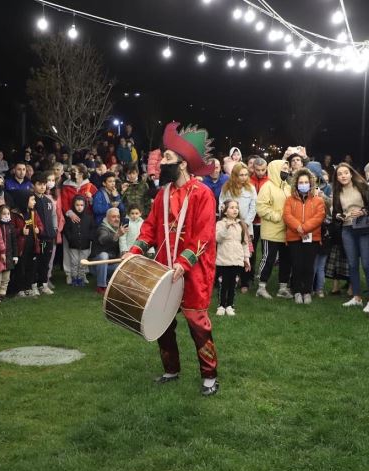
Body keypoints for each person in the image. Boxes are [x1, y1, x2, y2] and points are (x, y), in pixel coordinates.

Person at [125, 122, 219, 397]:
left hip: (194, 271)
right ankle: (171, 370)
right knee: (163, 322)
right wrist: (135, 251)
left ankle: (210, 376)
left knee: (198, 325)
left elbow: (204, 235)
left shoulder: (202, 194)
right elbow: (150, 229)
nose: (161, 162)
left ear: (183, 163)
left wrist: (184, 261)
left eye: (167, 157)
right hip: (165, 269)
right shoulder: (161, 195)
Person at [332, 163, 369, 313]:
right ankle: (356, 297)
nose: (343, 176)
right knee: (352, 264)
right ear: (337, 177)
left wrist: (363, 211)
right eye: (340, 174)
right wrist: (337, 215)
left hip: (364, 227)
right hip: (347, 229)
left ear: (351, 174)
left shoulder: (362, 186)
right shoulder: (337, 191)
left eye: (345, 173)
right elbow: (335, 212)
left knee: (368, 264)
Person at [283, 169, 325, 305]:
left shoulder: (318, 200)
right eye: (301, 182)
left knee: (308, 265)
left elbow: (319, 217)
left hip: (312, 237)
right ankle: (296, 291)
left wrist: (304, 227)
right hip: (294, 237)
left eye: (306, 182)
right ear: (296, 184)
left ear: (311, 183)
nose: (303, 184)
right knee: (296, 265)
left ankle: (307, 291)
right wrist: (298, 227)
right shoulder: (289, 200)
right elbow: (287, 215)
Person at [255, 160, 293, 300]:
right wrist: (277, 216)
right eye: (283, 168)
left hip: (287, 231)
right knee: (268, 258)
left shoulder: (287, 187)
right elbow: (261, 207)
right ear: (276, 169)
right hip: (271, 231)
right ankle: (261, 287)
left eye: (287, 169)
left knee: (286, 259)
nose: (286, 171)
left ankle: (283, 288)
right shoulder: (267, 187)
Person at [219, 162, 257, 292]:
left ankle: (245, 282)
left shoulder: (251, 188)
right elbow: (221, 205)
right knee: (231, 252)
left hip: (246, 226)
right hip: (231, 226)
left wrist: (246, 223)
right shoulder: (227, 188)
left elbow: (254, 207)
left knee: (246, 252)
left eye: (246, 175)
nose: (244, 177)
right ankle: (230, 279)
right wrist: (229, 220)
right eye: (241, 175)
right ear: (235, 175)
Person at [215, 200, 251, 316]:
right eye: (231, 207)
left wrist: (246, 259)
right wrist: (226, 227)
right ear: (225, 211)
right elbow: (218, 239)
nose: (235, 210)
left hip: (237, 260)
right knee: (223, 284)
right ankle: (221, 305)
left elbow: (245, 243)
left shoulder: (241, 225)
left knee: (233, 284)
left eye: (236, 207)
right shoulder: (220, 224)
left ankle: (230, 305)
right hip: (223, 260)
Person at [91, 207, 128, 294]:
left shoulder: (120, 228)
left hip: (111, 265)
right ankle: (101, 286)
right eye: (113, 217)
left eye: (118, 217)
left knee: (126, 261)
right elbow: (102, 239)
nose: (117, 219)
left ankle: (115, 284)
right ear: (107, 218)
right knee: (104, 255)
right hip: (96, 266)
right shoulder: (103, 228)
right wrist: (117, 235)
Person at [63, 195, 95, 287]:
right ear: (74, 205)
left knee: (82, 263)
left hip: (85, 245)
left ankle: (81, 278)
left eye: (81, 205)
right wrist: (70, 238)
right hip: (73, 245)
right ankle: (74, 278)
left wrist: (90, 237)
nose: (79, 207)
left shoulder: (89, 218)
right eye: (77, 205)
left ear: (85, 205)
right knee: (74, 262)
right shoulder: (70, 218)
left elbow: (93, 229)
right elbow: (66, 230)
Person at [0, 205, 18, 300]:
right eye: (4, 214)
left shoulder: (11, 226)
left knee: (6, 277)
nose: (6, 215)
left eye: (8, 213)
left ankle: (3, 292)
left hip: (9, 255)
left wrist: (15, 256)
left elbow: (14, 242)